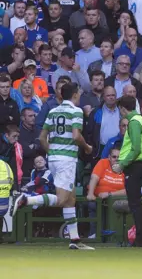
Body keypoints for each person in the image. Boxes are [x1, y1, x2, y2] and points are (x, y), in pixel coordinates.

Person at [12, 83, 94, 250]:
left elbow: (42, 138)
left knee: (70, 199)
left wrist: (54, 152)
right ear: (75, 95)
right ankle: (27, 199)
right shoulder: (76, 111)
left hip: (54, 158)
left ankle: (75, 240)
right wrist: (87, 148)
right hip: (67, 160)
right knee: (62, 199)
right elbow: (76, 135)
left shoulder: (53, 111)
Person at [114, 95, 142, 247]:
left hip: (134, 164)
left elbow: (135, 149)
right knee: (136, 203)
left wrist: (122, 164)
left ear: (122, 108)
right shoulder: (141, 120)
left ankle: (140, 239)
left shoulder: (134, 122)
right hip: (140, 164)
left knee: (134, 203)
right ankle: (140, 238)